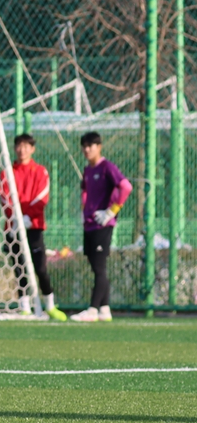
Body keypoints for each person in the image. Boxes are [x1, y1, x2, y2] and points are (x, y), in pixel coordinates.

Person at [0, 134, 66, 321]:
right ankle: (25, 307)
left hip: (34, 226)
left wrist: (28, 217)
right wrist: (16, 219)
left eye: (26, 146)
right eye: (19, 146)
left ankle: (50, 305)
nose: (22, 150)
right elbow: (4, 196)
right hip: (13, 226)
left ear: (32, 149)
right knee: (19, 267)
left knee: (40, 268)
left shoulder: (40, 171)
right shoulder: (7, 172)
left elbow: (42, 196)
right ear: (14, 149)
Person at [71, 131, 132, 322]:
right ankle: (104, 309)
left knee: (99, 268)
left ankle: (92, 309)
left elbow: (126, 187)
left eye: (90, 146)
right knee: (95, 266)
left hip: (102, 225)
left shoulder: (107, 167)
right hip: (89, 224)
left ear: (99, 147)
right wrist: (84, 211)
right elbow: (85, 191)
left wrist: (111, 211)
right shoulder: (87, 170)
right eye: (84, 146)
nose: (87, 150)